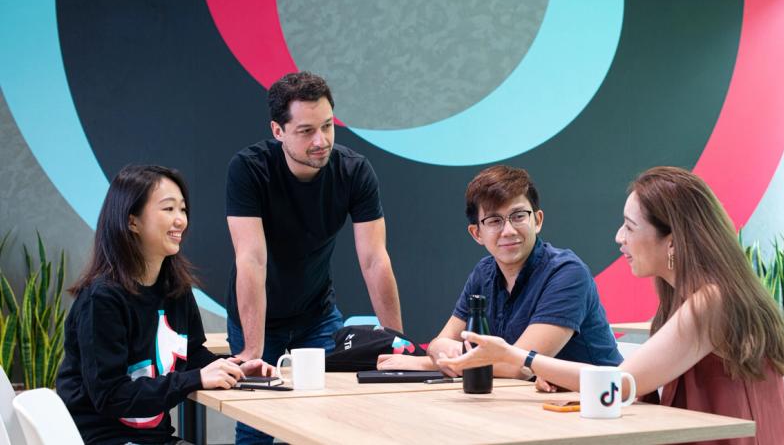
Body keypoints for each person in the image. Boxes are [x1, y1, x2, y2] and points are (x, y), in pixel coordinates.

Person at [439, 166, 784, 444]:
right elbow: (638, 383)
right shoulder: (689, 296)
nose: (619, 237)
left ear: (671, 242)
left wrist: (521, 358)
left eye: (629, 227)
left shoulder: (711, 301)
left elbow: (622, 382)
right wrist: (568, 382)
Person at [225, 71, 403, 443]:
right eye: (306, 131)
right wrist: (254, 350)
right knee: (257, 422)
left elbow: (374, 260)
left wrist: (396, 344)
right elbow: (251, 260)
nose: (321, 141)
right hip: (258, 318)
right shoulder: (249, 170)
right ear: (278, 131)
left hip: (316, 315)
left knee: (331, 415)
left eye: (327, 126)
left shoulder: (355, 171)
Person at [57, 165, 276, 445]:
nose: (180, 220)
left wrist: (235, 367)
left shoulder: (176, 290)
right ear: (132, 222)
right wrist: (196, 378)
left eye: (182, 210)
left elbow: (192, 355)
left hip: (156, 438)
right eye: (168, 209)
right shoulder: (102, 300)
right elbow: (110, 395)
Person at [378, 165, 621, 377]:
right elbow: (441, 341)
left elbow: (522, 366)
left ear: (537, 220)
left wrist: (428, 363)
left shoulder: (567, 273)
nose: (508, 231)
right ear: (476, 234)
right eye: (494, 221)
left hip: (602, 407)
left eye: (518, 216)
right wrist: (439, 351)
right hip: (537, 404)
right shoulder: (484, 273)